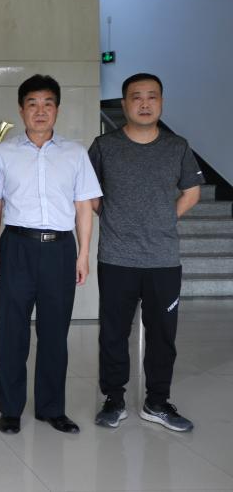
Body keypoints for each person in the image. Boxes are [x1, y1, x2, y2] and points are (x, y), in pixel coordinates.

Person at [89, 72, 202, 432]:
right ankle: (114, 399)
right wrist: (112, 216)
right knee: (113, 333)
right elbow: (88, 192)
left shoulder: (177, 146)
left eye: (152, 96)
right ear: (124, 104)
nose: (144, 103)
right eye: (136, 97)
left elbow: (192, 192)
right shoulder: (104, 146)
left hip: (163, 260)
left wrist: (165, 218)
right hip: (116, 257)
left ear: (161, 103)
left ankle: (157, 402)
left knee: (163, 335)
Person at [0, 74, 101, 435]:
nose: (40, 111)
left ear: (57, 109)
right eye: (33, 104)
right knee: (11, 333)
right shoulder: (3, 153)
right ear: (21, 109)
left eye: (48, 104)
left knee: (55, 333)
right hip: (16, 246)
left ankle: (52, 409)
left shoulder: (75, 153)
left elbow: (84, 206)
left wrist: (83, 254)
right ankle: (11, 409)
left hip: (60, 249)